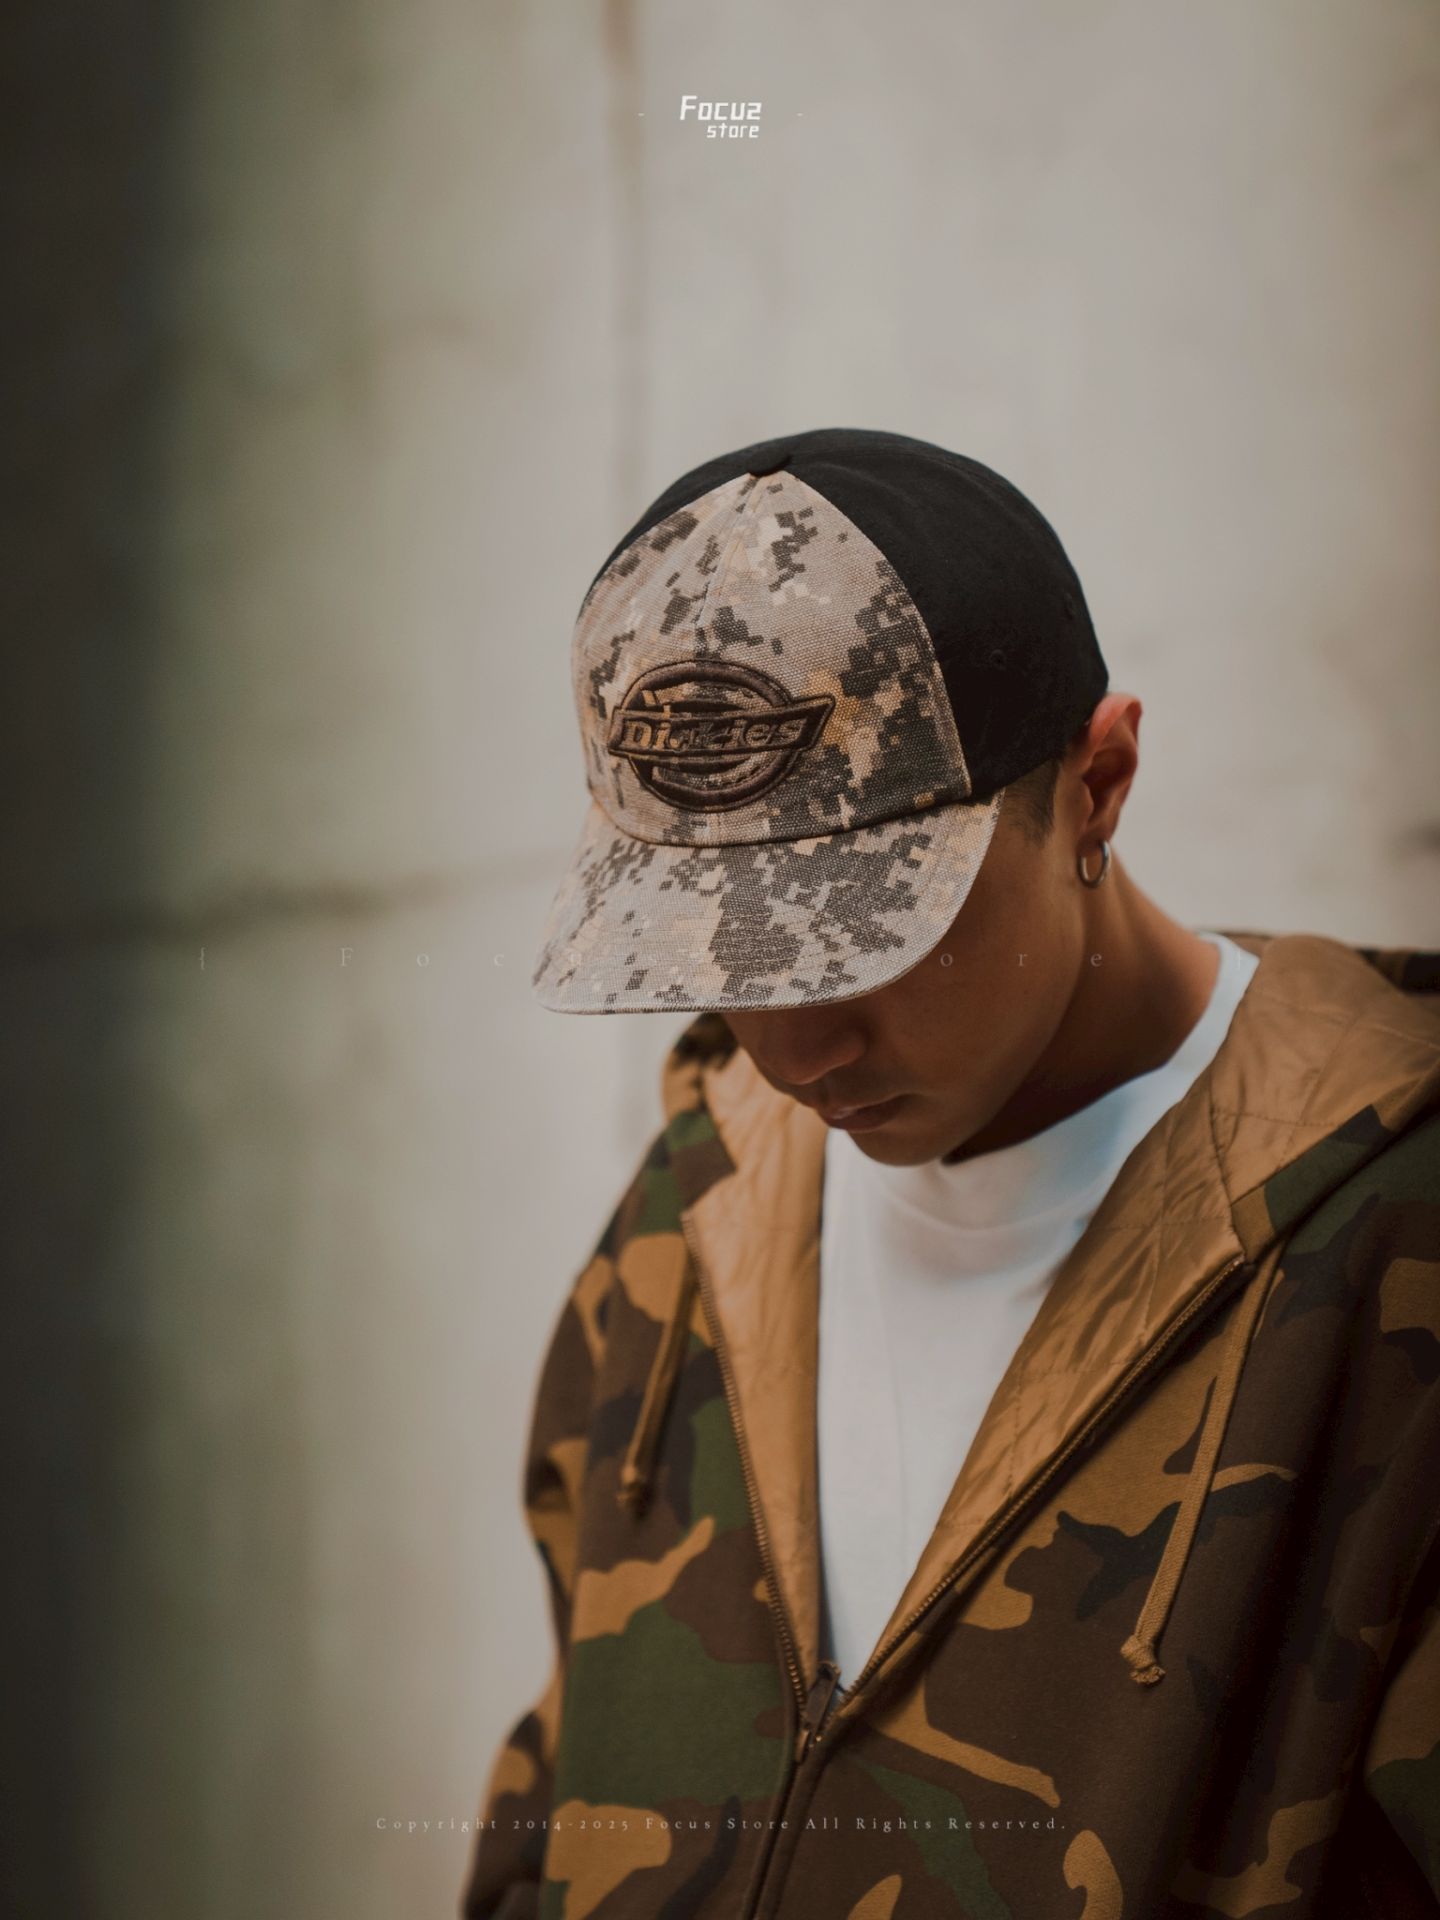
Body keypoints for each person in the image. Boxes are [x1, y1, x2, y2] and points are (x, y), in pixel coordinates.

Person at [460, 428, 1440, 1919]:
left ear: (1098, 784)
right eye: (720, 951)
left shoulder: (1395, 1246)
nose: (791, 1048)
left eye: (867, 934)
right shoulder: (688, 1218)